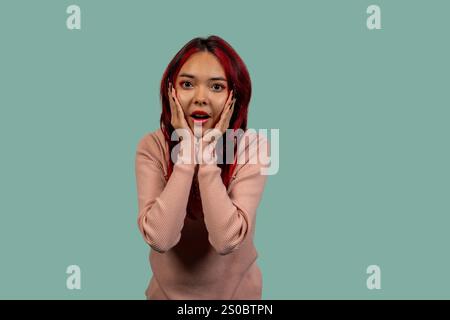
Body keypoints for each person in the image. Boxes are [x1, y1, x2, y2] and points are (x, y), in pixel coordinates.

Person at [135, 35, 269, 299]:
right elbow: (161, 240)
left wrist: (206, 159)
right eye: (187, 84)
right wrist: (186, 156)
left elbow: (226, 241)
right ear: (170, 92)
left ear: (235, 97)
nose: (200, 98)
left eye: (216, 87)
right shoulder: (152, 147)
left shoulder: (253, 147)